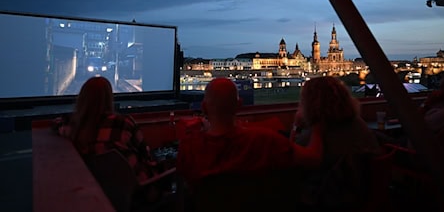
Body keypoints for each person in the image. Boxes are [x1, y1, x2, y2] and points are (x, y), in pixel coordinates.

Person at [176, 77, 323, 189]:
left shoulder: (189, 148)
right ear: (239, 105)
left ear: (204, 107)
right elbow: (314, 158)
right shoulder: (266, 140)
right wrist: (313, 119)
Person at [53, 76, 168, 204]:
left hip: (99, 192)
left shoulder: (75, 127)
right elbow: (146, 156)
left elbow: (57, 123)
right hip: (138, 191)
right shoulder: (123, 123)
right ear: (109, 98)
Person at [292, 76, 381, 211]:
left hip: (327, 200)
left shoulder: (316, 136)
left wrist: (296, 127)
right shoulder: (359, 125)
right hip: (360, 194)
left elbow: (292, 158)